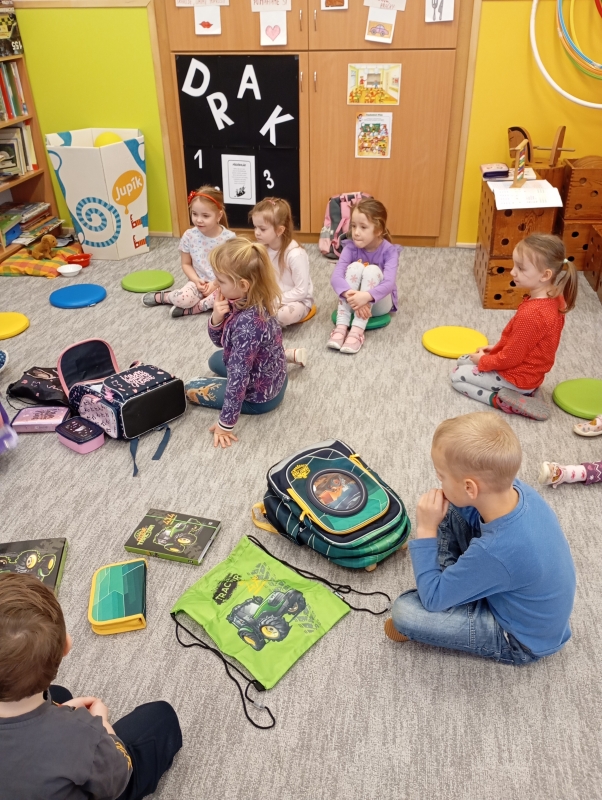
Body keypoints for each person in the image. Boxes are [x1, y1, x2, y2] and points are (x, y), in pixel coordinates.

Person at [385, 412, 576, 665]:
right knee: (450, 507)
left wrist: (426, 530)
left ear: (470, 488)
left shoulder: (496, 550)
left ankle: (454, 584)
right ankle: (459, 582)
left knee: (406, 613)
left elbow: (432, 601)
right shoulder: (518, 491)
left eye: (441, 476)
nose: (439, 481)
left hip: (520, 640)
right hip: (518, 591)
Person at [0, 573, 182, 799]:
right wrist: (102, 726)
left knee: (58, 693)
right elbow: (117, 777)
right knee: (161, 717)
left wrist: (59, 711)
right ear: (66, 647)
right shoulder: (83, 735)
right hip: (96, 769)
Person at [451, 234, 578, 420]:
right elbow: (528, 343)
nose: (512, 272)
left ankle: (502, 400)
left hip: (516, 377)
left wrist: (485, 361)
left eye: (521, 268)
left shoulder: (533, 314)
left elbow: (511, 358)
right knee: (464, 359)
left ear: (545, 275)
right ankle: (528, 391)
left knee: (457, 376)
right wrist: (497, 347)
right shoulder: (555, 297)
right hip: (529, 372)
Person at [185, 237, 288, 449]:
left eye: (221, 281)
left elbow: (238, 379)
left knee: (190, 388)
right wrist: (216, 318)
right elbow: (220, 343)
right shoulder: (250, 298)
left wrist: (226, 425)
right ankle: (291, 355)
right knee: (215, 360)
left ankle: (239, 409)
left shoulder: (247, 325)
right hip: (277, 377)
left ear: (243, 285)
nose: (215, 285)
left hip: (261, 398)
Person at [143, 185, 234, 318]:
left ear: (218, 215)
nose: (198, 220)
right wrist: (196, 281)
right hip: (197, 284)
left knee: (231, 301)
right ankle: (166, 297)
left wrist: (215, 284)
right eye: (194, 214)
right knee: (182, 299)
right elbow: (186, 264)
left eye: (205, 215)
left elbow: (232, 269)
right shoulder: (189, 236)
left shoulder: (229, 239)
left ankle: (192, 309)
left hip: (221, 284)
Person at [328, 197, 400, 354]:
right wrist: (354, 296)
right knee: (355, 267)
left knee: (372, 270)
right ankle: (340, 327)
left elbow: (388, 284)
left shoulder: (389, 251)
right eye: (353, 226)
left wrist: (365, 297)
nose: (356, 232)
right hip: (353, 302)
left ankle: (357, 332)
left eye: (363, 227)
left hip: (379, 305)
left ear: (378, 230)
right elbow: (336, 277)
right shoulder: (350, 247)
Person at [250, 197, 312, 366]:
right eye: (255, 227)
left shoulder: (295, 254)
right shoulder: (261, 248)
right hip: (271, 297)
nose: (256, 233)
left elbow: (302, 291)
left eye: (262, 228)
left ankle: (265, 332)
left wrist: (274, 301)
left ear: (279, 230)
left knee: (283, 315)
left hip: (298, 301)